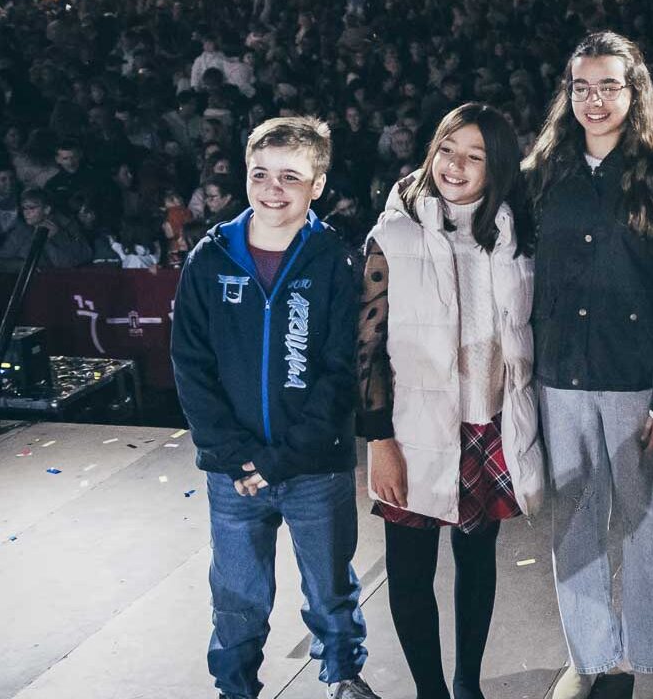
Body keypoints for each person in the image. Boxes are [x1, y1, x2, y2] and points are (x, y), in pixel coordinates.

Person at [168, 117, 380, 699]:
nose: (272, 188)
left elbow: (343, 370)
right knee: (236, 595)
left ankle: (342, 677)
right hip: (233, 472)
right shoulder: (210, 260)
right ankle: (235, 689)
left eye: (291, 176)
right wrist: (235, 455)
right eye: (260, 173)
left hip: (313, 467)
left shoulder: (335, 259)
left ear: (318, 183)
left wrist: (284, 458)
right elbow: (191, 366)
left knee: (330, 585)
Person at [524, 32, 653, 699]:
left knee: (647, 527)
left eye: (609, 86)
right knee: (574, 527)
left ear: (634, 93)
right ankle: (592, 657)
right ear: (567, 96)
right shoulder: (546, 176)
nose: (594, 100)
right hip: (562, 378)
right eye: (582, 88)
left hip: (637, 384)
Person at [359, 103, 543, 699]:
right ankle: (430, 692)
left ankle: (468, 684)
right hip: (411, 430)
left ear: (498, 169)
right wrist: (379, 442)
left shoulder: (515, 232)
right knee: (409, 572)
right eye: (447, 149)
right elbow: (365, 350)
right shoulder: (391, 232)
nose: (456, 166)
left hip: (486, 427)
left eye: (475, 156)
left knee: (477, 561)